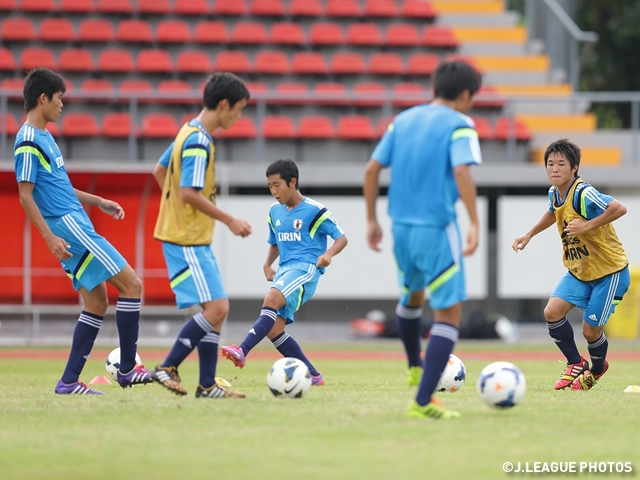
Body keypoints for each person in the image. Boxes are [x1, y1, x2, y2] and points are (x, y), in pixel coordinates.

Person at [14, 67, 152, 395]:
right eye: (59, 98)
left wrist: (98, 200)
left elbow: (60, 186)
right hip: (70, 227)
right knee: (132, 285)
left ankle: (68, 381)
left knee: (98, 302)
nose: (62, 105)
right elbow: (24, 194)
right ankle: (128, 369)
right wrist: (50, 237)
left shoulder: (45, 136)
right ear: (43, 98)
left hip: (74, 222)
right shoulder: (29, 140)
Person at [363, 60, 482, 419]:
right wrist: (475, 221)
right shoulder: (461, 124)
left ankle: (415, 366)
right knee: (448, 313)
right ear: (465, 94)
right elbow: (461, 170)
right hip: (436, 229)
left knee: (412, 295)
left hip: (400, 228)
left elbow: (372, 169)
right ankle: (423, 400)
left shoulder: (402, 120)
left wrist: (371, 219)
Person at [150, 72, 252, 399]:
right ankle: (167, 366)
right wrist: (229, 220)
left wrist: (175, 210)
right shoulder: (199, 141)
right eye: (238, 109)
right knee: (218, 308)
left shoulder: (188, 131)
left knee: (217, 308)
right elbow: (189, 193)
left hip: (188, 236)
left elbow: (160, 170)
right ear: (224, 104)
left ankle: (207, 385)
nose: (239, 115)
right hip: (187, 239)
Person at [512, 139, 629, 391]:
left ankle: (597, 369)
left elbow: (619, 208)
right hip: (580, 270)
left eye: (561, 164)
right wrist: (529, 234)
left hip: (609, 273)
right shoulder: (555, 193)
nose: (554, 168)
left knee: (589, 331)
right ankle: (575, 362)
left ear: (574, 167)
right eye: (550, 164)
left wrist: (586, 225)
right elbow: (553, 211)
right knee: (551, 312)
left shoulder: (582, 193)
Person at [220, 159, 348, 385]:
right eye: (269, 186)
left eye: (277, 185)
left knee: (271, 298)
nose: (273, 191)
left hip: (305, 268)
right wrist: (268, 264)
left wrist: (329, 254)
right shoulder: (274, 212)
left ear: (293, 182)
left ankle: (242, 350)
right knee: (274, 329)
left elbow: (342, 238)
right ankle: (314, 376)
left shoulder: (315, 210)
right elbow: (275, 242)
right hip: (284, 270)